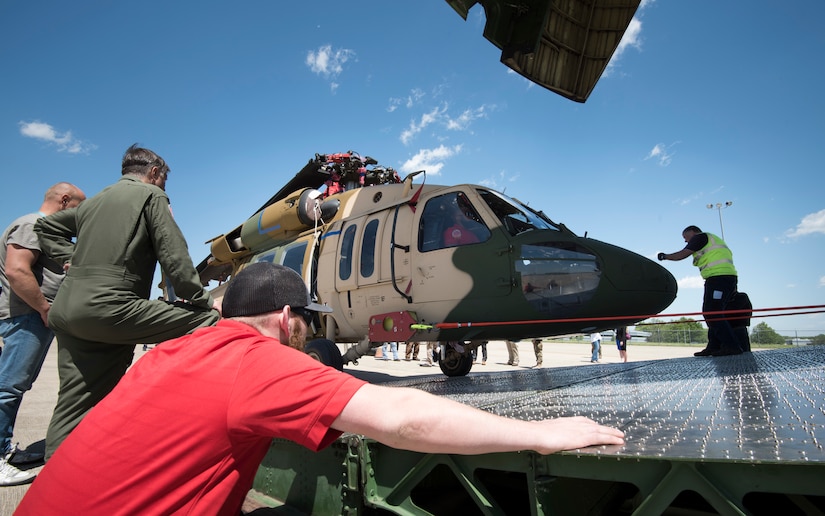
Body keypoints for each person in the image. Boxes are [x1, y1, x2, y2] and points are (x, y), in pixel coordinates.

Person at [14, 263, 624, 515]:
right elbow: (402, 416)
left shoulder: (173, 352)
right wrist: (540, 433)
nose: (311, 336)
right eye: (309, 322)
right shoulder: (257, 362)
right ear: (286, 318)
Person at [33, 144, 221, 459]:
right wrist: (203, 299)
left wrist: (74, 259)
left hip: (67, 311)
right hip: (109, 307)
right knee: (209, 320)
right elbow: (173, 257)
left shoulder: (93, 203)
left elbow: (46, 227)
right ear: (155, 173)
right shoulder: (152, 195)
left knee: (75, 399)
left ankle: (55, 473)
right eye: (163, 181)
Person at [0, 183, 86, 486]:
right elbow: (17, 270)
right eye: (78, 207)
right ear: (64, 201)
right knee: (8, 387)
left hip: (32, 316)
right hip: (27, 316)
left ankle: (5, 450)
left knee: (16, 385)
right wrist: (44, 308)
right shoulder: (32, 225)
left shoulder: (42, 229)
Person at [658, 225, 741, 357]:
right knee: (711, 312)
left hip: (719, 278)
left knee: (712, 312)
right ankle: (714, 346)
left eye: (685, 237)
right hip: (718, 279)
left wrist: (665, 256)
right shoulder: (710, 240)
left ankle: (731, 346)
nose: (686, 241)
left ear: (693, 232)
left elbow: (682, 254)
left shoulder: (700, 237)